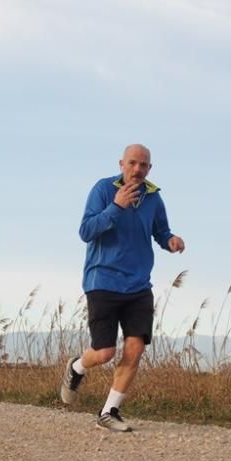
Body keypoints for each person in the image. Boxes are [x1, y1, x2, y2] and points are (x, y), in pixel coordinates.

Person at [60, 144, 185, 431]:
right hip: (103, 280)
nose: (138, 169)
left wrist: (170, 241)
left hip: (139, 284)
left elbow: (160, 231)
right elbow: (86, 231)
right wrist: (116, 207)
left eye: (144, 165)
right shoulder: (103, 190)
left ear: (150, 169)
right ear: (121, 164)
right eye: (133, 163)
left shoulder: (154, 197)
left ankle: (109, 412)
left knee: (135, 347)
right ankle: (77, 367)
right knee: (104, 353)